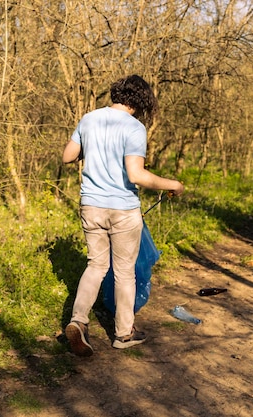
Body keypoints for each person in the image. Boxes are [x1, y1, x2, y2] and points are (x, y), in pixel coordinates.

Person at [61, 75, 185, 356]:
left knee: (96, 265)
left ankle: (78, 320)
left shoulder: (89, 118)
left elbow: (67, 156)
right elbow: (136, 174)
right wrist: (173, 184)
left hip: (91, 205)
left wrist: (92, 151)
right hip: (122, 209)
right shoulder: (134, 127)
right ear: (141, 100)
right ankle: (123, 333)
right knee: (124, 272)